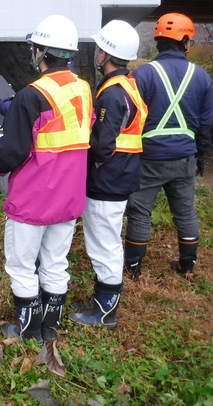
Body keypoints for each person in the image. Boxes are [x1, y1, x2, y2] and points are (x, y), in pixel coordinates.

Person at [0, 14, 93, 342]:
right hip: (68, 197)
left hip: (33, 198)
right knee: (56, 262)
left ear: (42, 52)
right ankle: (50, 328)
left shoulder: (32, 94)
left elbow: (10, 154)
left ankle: (28, 331)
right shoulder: (83, 90)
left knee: (22, 265)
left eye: (35, 48)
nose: (33, 53)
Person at [68, 20, 147, 329]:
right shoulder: (128, 84)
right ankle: (100, 302)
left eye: (99, 48)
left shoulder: (112, 94)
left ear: (105, 54)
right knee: (107, 241)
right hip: (122, 175)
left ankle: (104, 313)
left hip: (108, 179)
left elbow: (102, 145)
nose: (96, 53)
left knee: (104, 245)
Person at [124, 12, 213, 280]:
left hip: (148, 158)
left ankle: (133, 268)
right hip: (184, 157)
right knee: (185, 211)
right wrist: (201, 155)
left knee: (140, 212)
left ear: (158, 41)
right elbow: (206, 124)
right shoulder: (201, 77)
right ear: (186, 41)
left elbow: (129, 118)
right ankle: (187, 266)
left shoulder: (141, 75)